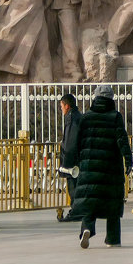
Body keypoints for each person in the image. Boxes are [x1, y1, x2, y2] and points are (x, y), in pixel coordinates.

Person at [65, 85, 133, 249]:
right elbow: (122, 139)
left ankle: (87, 228)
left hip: (89, 166)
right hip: (110, 166)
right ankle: (112, 239)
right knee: (112, 204)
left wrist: (72, 162)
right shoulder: (115, 116)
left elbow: (76, 142)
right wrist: (128, 160)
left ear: (95, 99)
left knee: (90, 201)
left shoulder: (86, 117)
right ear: (111, 99)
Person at [57, 93, 81, 221]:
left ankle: (76, 212)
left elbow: (70, 142)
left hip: (73, 160)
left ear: (67, 106)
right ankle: (78, 211)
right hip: (79, 158)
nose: (61, 109)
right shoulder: (77, 116)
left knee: (73, 186)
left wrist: (65, 163)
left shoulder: (71, 119)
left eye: (61, 106)